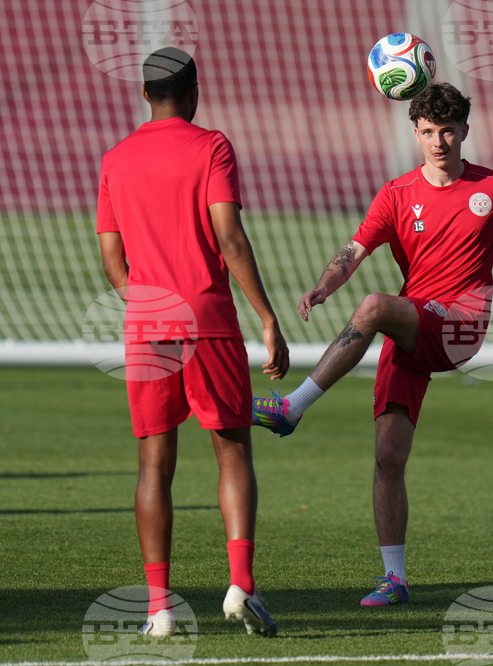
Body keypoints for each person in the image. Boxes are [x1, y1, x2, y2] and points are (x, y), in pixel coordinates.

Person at [251, 82, 493, 606]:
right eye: (426, 131)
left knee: (374, 305)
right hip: (414, 324)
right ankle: (393, 578)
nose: (437, 141)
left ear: (464, 130)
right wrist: (323, 286)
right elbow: (354, 249)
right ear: (414, 132)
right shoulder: (396, 194)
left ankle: (291, 408)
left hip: (460, 324)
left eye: (447, 130)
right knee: (387, 455)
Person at [96, 47, 288, 637]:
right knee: (233, 452)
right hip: (209, 320)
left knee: (154, 465)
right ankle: (239, 585)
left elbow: (112, 260)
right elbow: (229, 235)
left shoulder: (116, 158)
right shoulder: (211, 146)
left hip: (148, 326)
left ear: (145, 95)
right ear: (194, 90)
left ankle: (158, 609)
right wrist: (267, 317)